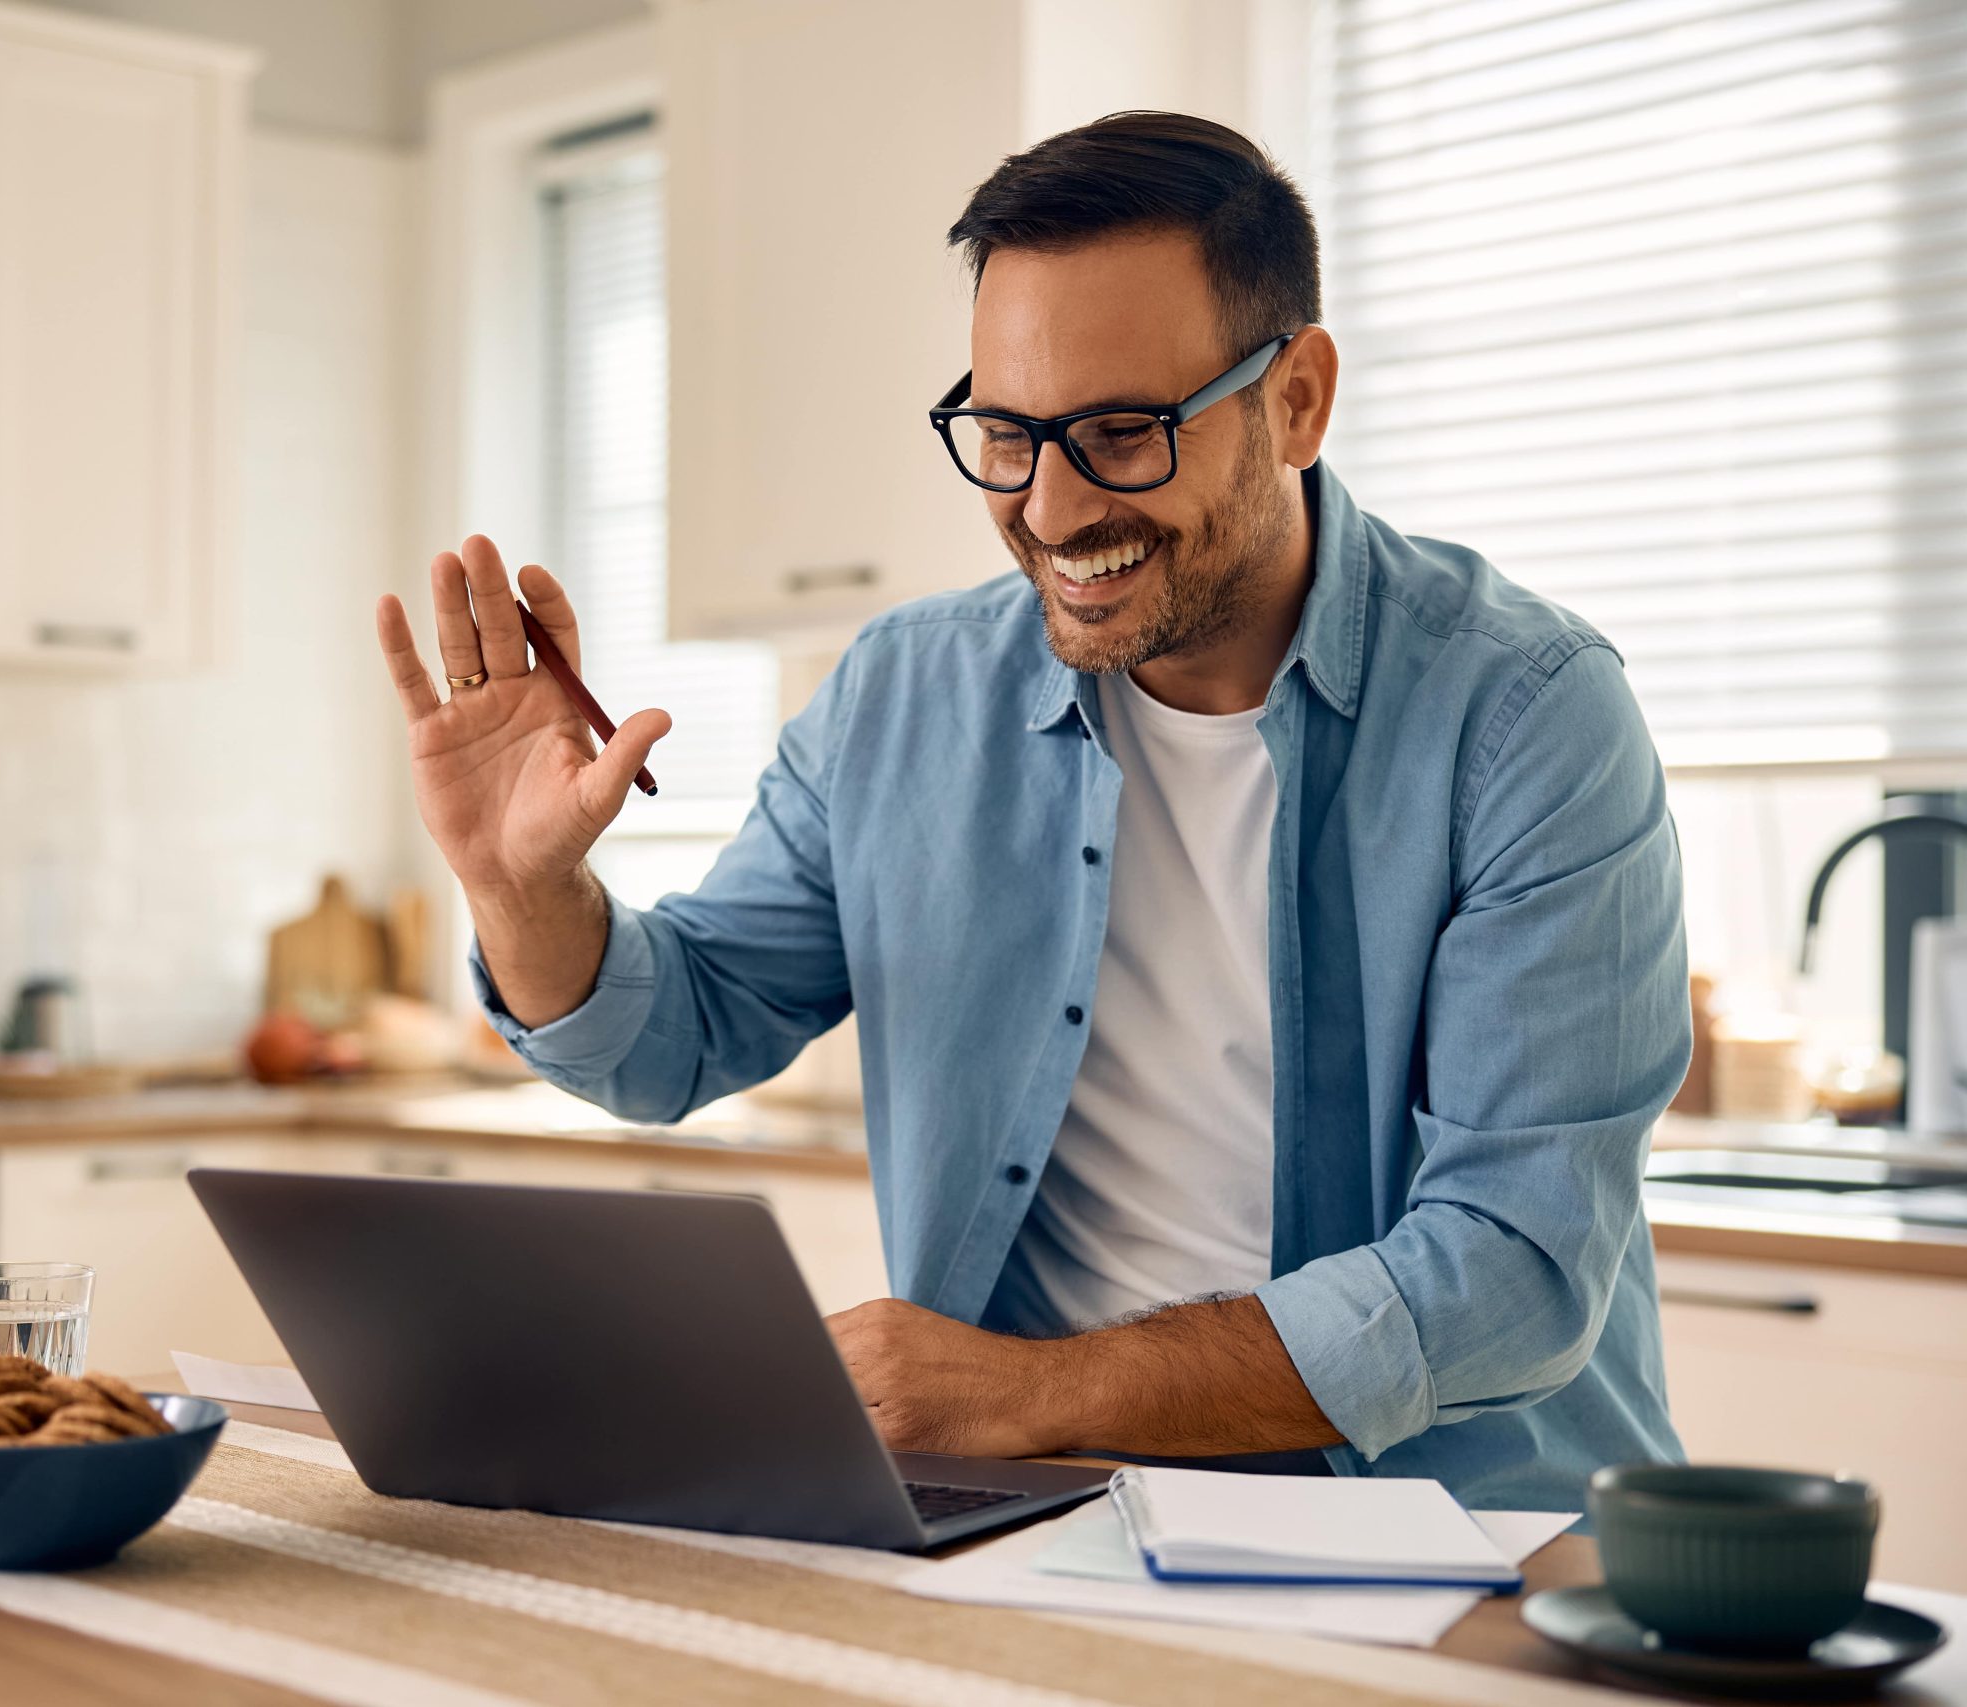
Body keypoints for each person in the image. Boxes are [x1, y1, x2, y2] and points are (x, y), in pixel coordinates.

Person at [371, 111, 1689, 1513]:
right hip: (1040, 1519)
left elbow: (1514, 1273)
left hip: (1449, 1531)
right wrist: (523, 894)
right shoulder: (900, 695)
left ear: (1296, 398)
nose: (1052, 509)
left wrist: (1025, 1391)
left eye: (1123, 433)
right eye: (1007, 433)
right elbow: (672, 1043)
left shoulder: (1527, 713)